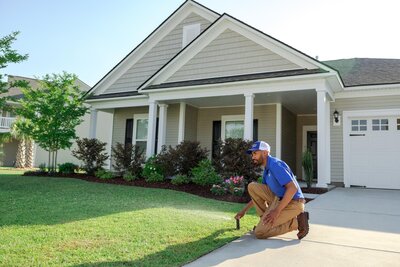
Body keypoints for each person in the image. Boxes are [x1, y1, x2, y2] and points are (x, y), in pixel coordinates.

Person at [235, 141, 309, 239]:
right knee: (252, 186)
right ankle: (265, 221)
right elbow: (259, 195)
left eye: (255, 153)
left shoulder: (275, 165)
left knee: (260, 233)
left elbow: (292, 188)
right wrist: (244, 211)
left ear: (265, 153)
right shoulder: (267, 169)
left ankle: (295, 223)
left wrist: (277, 211)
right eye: (252, 154)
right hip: (278, 200)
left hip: (294, 203)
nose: (253, 157)